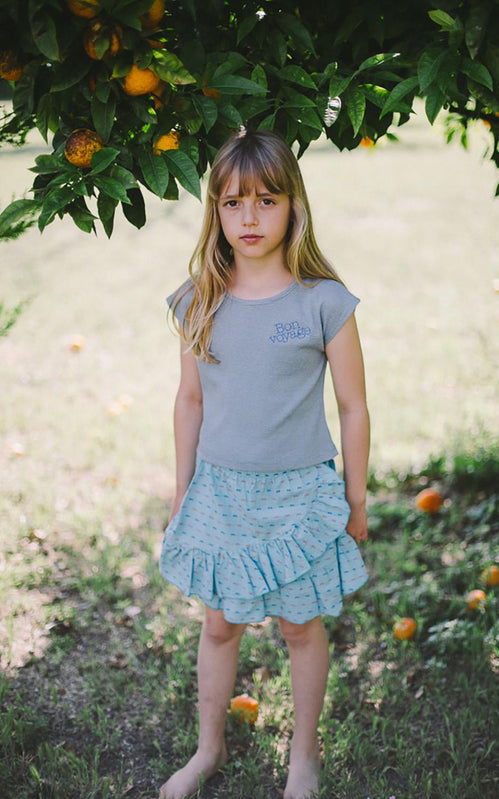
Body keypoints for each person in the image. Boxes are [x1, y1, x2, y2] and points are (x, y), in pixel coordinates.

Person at [159, 128, 370, 799]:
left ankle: (302, 759)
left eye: (266, 200)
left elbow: (353, 407)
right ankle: (208, 747)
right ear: (214, 212)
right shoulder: (199, 299)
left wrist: (354, 498)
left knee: (299, 627)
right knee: (218, 623)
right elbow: (189, 401)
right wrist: (181, 490)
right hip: (220, 492)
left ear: (293, 206)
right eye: (231, 203)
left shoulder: (322, 302)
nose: (248, 218)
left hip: (301, 492)